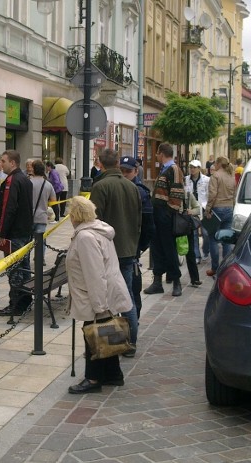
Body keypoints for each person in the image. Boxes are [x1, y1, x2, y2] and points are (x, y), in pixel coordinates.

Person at [66, 196, 133, 394]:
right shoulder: (98, 229)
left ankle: (93, 379)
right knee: (106, 331)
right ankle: (113, 374)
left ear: (75, 215)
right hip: (105, 290)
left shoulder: (86, 237)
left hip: (95, 294)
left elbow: (94, 274)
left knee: (93, 334)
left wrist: (99, 306)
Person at [90, 150, 142, 357]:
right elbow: (139, 220)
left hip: (108, 251)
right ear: (118, 163)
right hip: (128, 249)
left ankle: (113, 343)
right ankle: (130, 341)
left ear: (100, 164)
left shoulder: (100, 186)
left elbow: (94, 222)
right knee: (125, 296)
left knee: (107, 299)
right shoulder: (132, 186)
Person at [0, 150, 34, 317]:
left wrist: (1, 232)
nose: (0, 164)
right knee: (24, 268)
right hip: (25, 231)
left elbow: (7, 208)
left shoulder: (12, 181)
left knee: (15, 270)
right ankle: (25, 302)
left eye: (3, 161)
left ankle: (16, 304)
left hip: (14, 233)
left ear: (13, 163)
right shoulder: (25, 179)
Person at [143, 142, 186, 297]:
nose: (156, 155)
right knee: (157, 249)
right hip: (157, 215)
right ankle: (157, 282)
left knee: (169, 249)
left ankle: (176, 282)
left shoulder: (174, 169)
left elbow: (177, 193)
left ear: (161, 153)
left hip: (165, 216)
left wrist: (168, 213)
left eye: (157, 153)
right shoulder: (165, 169)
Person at [119, 156, 154, 319]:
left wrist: (140, 246)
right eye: (122, 171)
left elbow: (148, 224)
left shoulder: (140, 191)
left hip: (132, 248)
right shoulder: (117, 187)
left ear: (136, 171)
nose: (125, 174)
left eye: (128, 171)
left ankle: (133, 325)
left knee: (132, 289)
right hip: (118, 246)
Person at [205, 156, 236, 277]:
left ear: (218, 164)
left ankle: (215, 268)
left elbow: (212, 194)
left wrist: (208, 209)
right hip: (229, 208)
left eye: (215, 163)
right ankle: (226, 268)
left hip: (217, 208)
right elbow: (234, 193)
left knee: (213, 239)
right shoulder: (231, 176)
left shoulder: (216, 176)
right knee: (226, 240)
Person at [30, 160, 56, 264]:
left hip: (29, 217)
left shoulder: (29, 182)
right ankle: (40, 259)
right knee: (41, 240)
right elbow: (53, 201)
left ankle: (25, 258)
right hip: (42, 216)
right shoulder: (48, 184)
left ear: (33, 170)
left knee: (27, 240)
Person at [185, 159, 210, 264]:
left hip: (203, 209)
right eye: (190, 167)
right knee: (193, 234)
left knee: (206, 234)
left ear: (199, 168)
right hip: (192, 210)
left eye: (194, 167)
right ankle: (196, 255)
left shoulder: (206, 180)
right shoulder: (186, 179)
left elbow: (209, 195)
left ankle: (205, 250)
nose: (192, 169)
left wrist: (209, 208)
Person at [178, 188, 202, 286]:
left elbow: (197, 208)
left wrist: (190, 211)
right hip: (174, 226)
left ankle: (195, 278)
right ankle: (171, 277)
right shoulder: (169, 194)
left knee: (190, 252)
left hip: (186, 226)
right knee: (172, 252)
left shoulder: (188, 194)